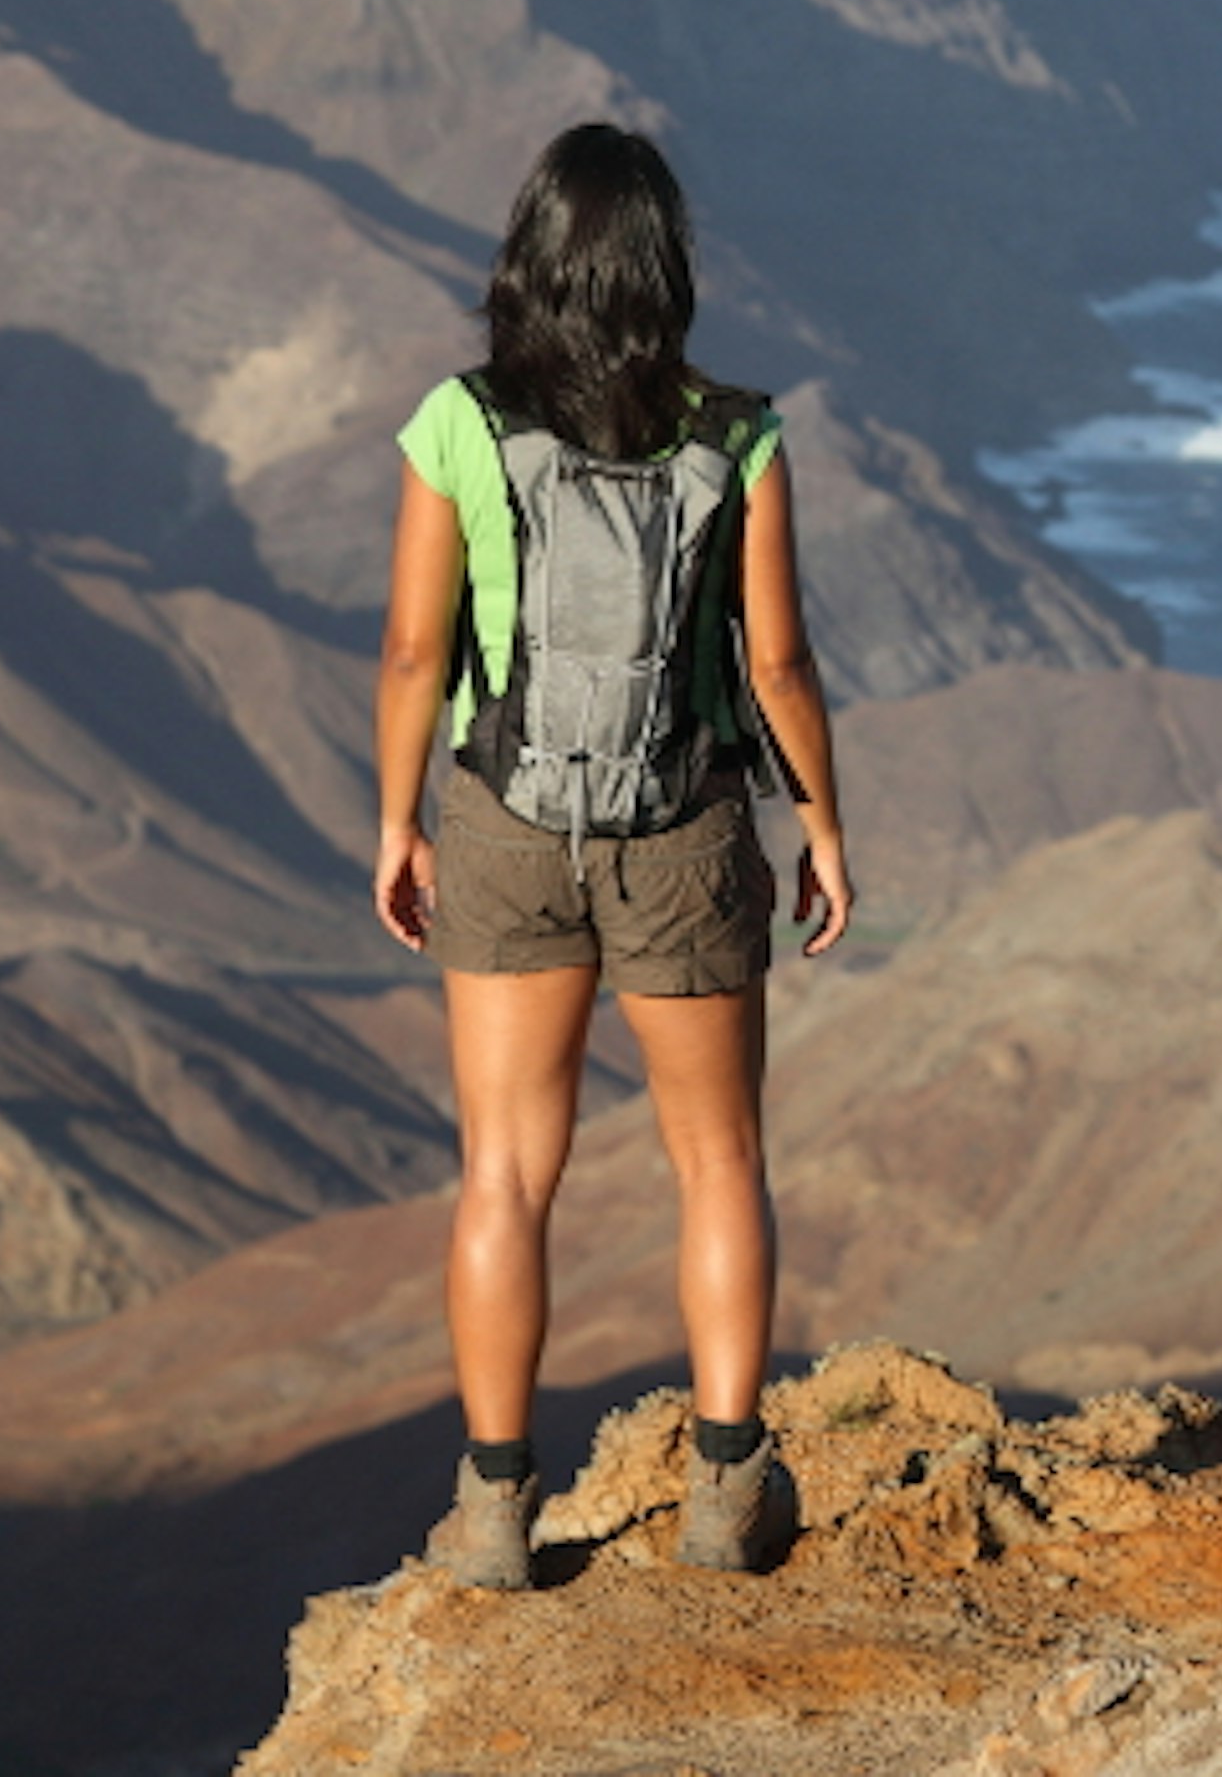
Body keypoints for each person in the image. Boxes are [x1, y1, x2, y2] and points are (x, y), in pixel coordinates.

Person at [372, 123, 854, 1590]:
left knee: (507, 1175)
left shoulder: (457, 423)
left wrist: (395, 820)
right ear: (667, 271)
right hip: (688, 829)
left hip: (507, 824)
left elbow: (412, 650)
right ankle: (722, 1498)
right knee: (719, 1163)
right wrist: (823, 819)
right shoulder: (738, 432)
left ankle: (498, 1512)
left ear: (526, 259)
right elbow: (774, 664)